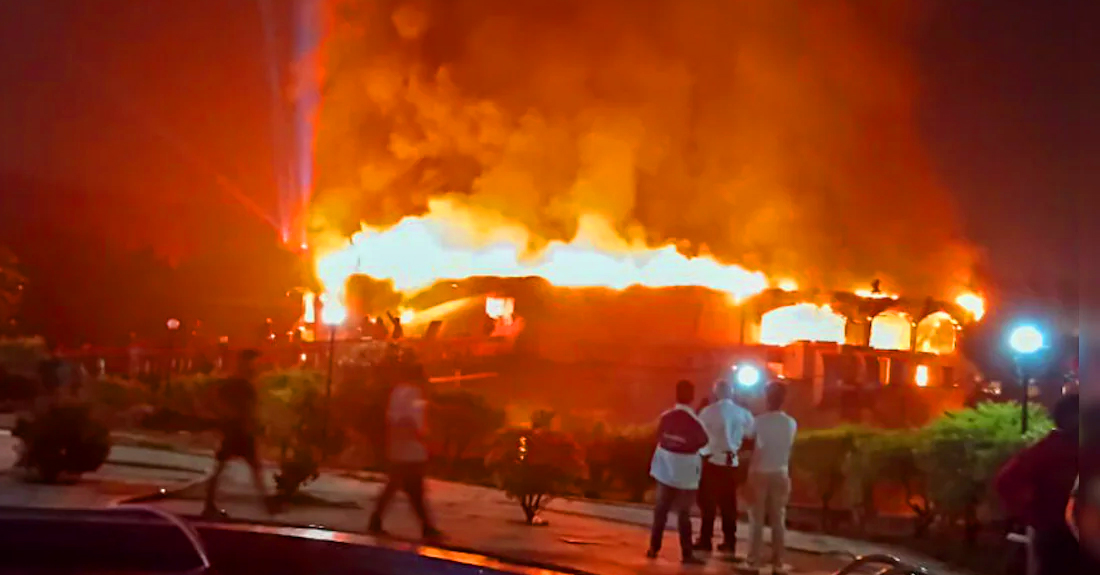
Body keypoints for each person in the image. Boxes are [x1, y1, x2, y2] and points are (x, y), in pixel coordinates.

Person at [995, 393, 1080, 575]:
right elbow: (1007, 482)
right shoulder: (1048, 451)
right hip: (1056, 535)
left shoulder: (1045, 450)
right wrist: (1034, 513)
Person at [367, 361, 442, 540]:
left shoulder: (397, 392)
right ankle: (425, 527)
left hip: (399, 445)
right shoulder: (413, 393)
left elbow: (392, 418)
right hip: (411, 446)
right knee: (411, 487)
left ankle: (378, 520)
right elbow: (412, 419)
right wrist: (423, 438)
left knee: (401, 485)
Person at [202, 349, 276, 517]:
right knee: (249, 467)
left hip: (238, 429)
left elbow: (219, 400)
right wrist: (231, 416)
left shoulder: (241, 382)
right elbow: (245, 407)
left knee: (230, 467)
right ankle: (266, 503)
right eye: (252, 361)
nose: (254, 366)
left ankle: (209, 503)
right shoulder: (239, 383)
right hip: (238, 429)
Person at [647, 379, 709, 565]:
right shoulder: (695, 421)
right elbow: (703, 442)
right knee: (684, 514)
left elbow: (658, 436)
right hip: (686, 474)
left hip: (665, 471)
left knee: (661, 510)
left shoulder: (666, 417)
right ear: (691, 397)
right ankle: (687, 553)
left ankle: (653, 547)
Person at [695, 380, 755, 554]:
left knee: (708, 504)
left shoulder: (708, 411)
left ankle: (705, 539)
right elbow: (751, 433)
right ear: (732, 393)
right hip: (732, 462)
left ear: (716, 393)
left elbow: (700, 433)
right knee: (729, 504)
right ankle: (730, 541)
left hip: (712, 460)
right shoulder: (743, 412)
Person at [746, 381, 797, 574]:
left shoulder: (758, 421)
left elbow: (748, 439)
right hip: (781, 472)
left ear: (767, 398)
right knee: (778, 519)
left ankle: (753, 560)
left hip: (758, 472)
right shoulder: (791, 423)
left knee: (756, 519)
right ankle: (778, 562)